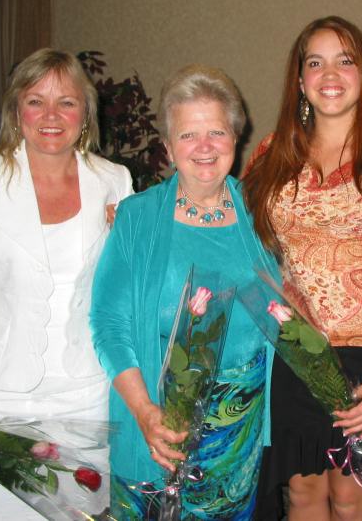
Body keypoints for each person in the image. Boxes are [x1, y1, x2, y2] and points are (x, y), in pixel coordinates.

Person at [243, 16, 362, 520]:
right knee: (303, 493)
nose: (331, 72)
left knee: (353, 496)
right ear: (300, 80)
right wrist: (142, 212)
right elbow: (235, 234)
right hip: (292, 352)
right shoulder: (271, 153)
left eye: (345, 60)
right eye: (315, 61)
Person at [0, 48, 134, 520]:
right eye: (36, 100)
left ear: (85, 113)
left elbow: (128, 294)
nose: (51, 115)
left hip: (85, 398)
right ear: (15, 110)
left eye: (66, 101)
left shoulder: (115, 182)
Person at [90, 65, 280, 520]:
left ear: (236, 137)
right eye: (189, 135)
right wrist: (144, 413)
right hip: (160, 423)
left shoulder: (262, 212)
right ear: (169, 146)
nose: (205, 147)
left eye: (217, 131)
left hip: (239, 429)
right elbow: (108, 326)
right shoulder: (137, 218)